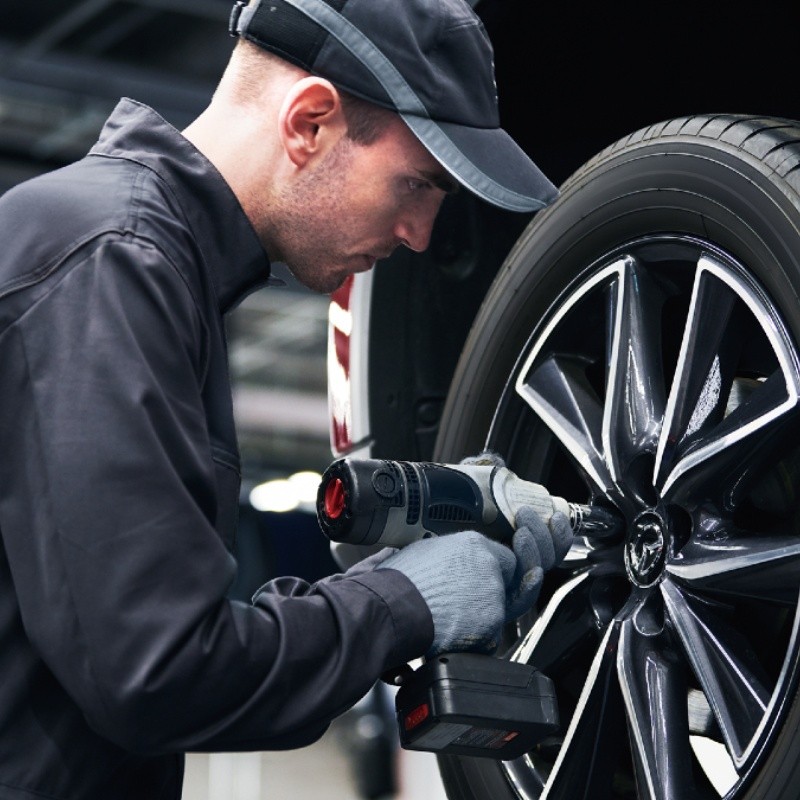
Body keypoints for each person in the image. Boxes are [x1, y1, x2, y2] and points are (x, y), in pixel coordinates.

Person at [0, 0, 568, 798]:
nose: (421, 236)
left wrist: (417, 539)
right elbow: (158, 673)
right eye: (417, 184)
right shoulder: (111, 262)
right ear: (309, 123)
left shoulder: (148, 265)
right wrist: (401, 602)